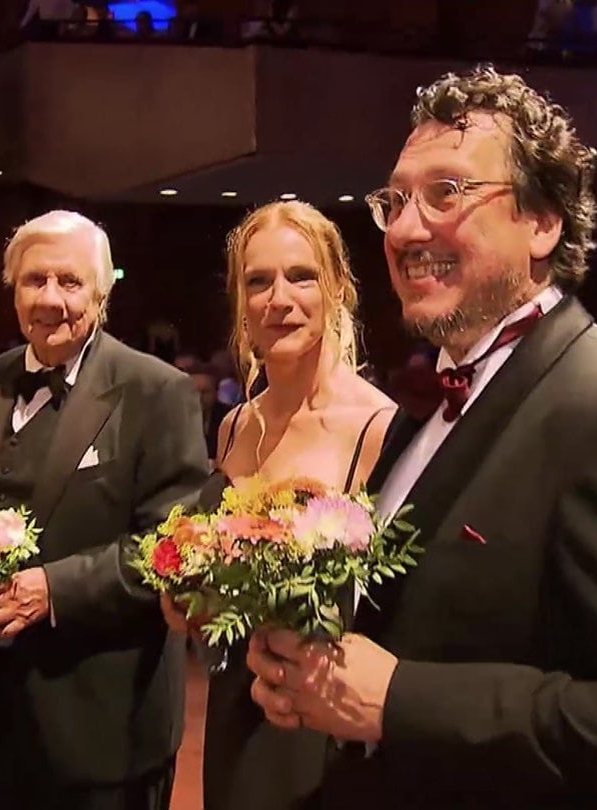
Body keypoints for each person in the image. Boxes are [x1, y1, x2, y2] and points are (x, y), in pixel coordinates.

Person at [246, 65, 597, 808]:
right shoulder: (423, 409)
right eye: (394, 201)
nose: (403, 228)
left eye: (447, 193)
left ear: (543, 221)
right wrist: (315, 670)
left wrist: (400, 699)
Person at [0, 210, 210, 809]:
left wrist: (54, 589)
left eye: (70, 282)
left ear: (103, 290)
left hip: (108, 727)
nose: (50, 300)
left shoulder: (155, 391)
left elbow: (172, 547)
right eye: (35, 281)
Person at [160, 201, 395, 810]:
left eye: (301, 276)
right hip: (235, 702)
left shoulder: (377, 427)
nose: (278, 299)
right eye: (258, 281)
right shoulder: (237, 423)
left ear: (338, 287)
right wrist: (192, 592)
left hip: (319, 726)